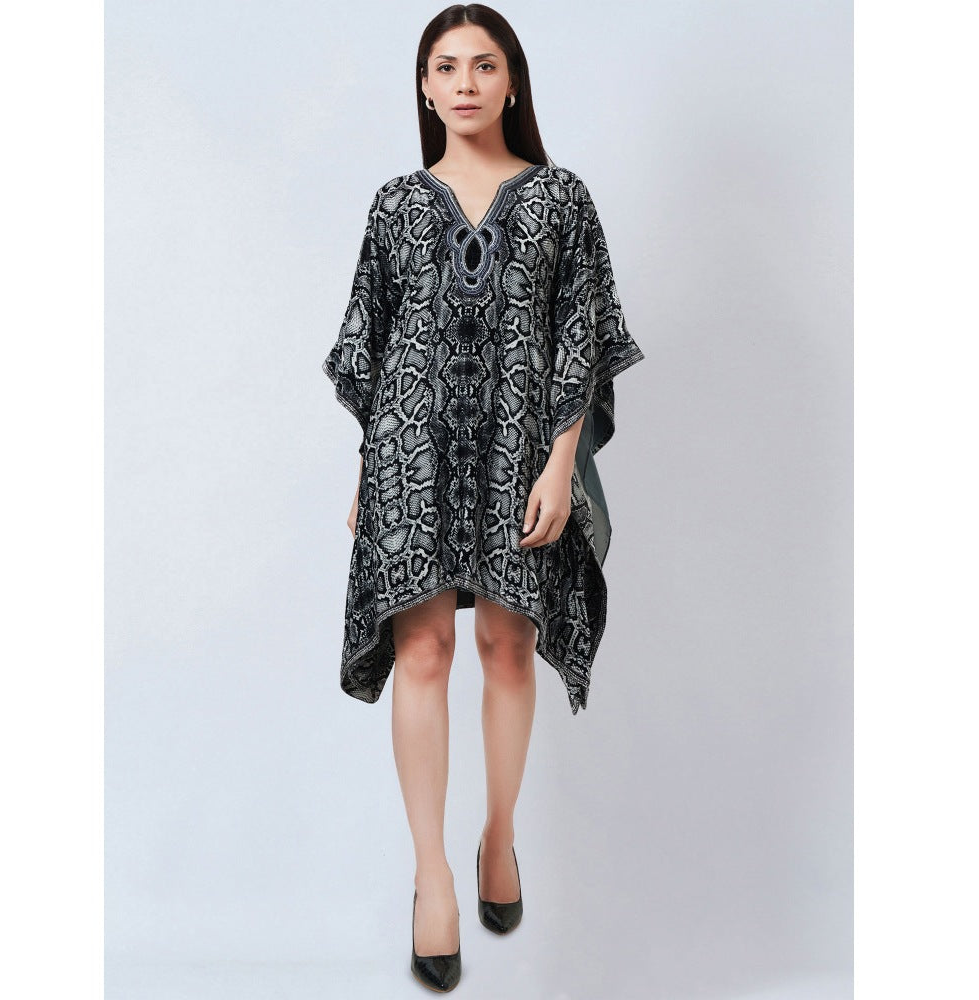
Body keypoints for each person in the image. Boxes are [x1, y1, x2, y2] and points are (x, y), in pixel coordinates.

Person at [322, 4, 645, 992]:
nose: (464, 82)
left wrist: (560, 462)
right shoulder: (393, 205)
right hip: (409, 455)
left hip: (521, 454)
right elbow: (372, 346)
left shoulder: (559, 199)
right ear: (424, 89)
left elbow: (582, 334)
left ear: (512, 82)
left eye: (484, 65)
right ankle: (433, 878)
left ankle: (497, 836)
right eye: (445, 66)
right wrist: (368, 472)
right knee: (423, 651)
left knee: (507, 645)